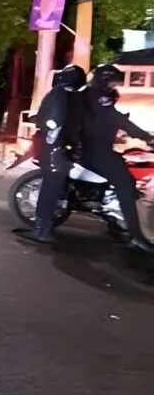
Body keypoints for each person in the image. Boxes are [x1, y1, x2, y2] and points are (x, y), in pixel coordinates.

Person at [76, 63, 154, 253]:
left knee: (127, 180)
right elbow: (118, 119)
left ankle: (115, 224)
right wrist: (147, 137)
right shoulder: (98, 97)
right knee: (125, 186)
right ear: (104, 80)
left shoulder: (88, 95)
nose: (115, 87)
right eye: (113, 83)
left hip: (91, 148)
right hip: (96, 151)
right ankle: (136, 236)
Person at [13, 64, 86, 243]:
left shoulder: (60, 93)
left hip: (55, 148)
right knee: (53, 189)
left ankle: (42, 231)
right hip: (66, 149)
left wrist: (50, 137)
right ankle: (43, 229)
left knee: (50, 189)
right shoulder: (76, 96)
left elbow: (53, 121)